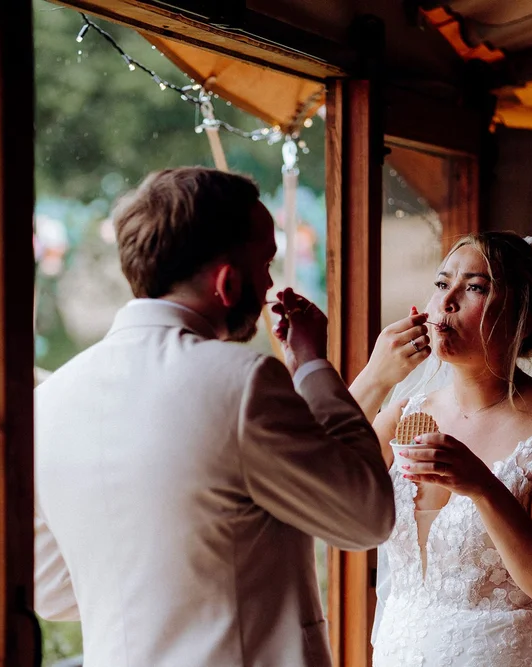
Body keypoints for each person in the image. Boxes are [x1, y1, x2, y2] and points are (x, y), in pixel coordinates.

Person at [34, 167, 395, 667]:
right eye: (266, 263)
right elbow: (366, 515)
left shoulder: (48, 401)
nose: (270, 281)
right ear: (227, 282)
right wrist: (313, 366)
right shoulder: (243, 380)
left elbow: (48, 587)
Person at [349, 232, 532, 666]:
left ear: (522, 317)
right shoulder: (401, 415)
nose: (446, 301)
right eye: (440, 284)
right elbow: (318, 491)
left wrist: (484, 488)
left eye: (474, 287)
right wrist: (375, 377)